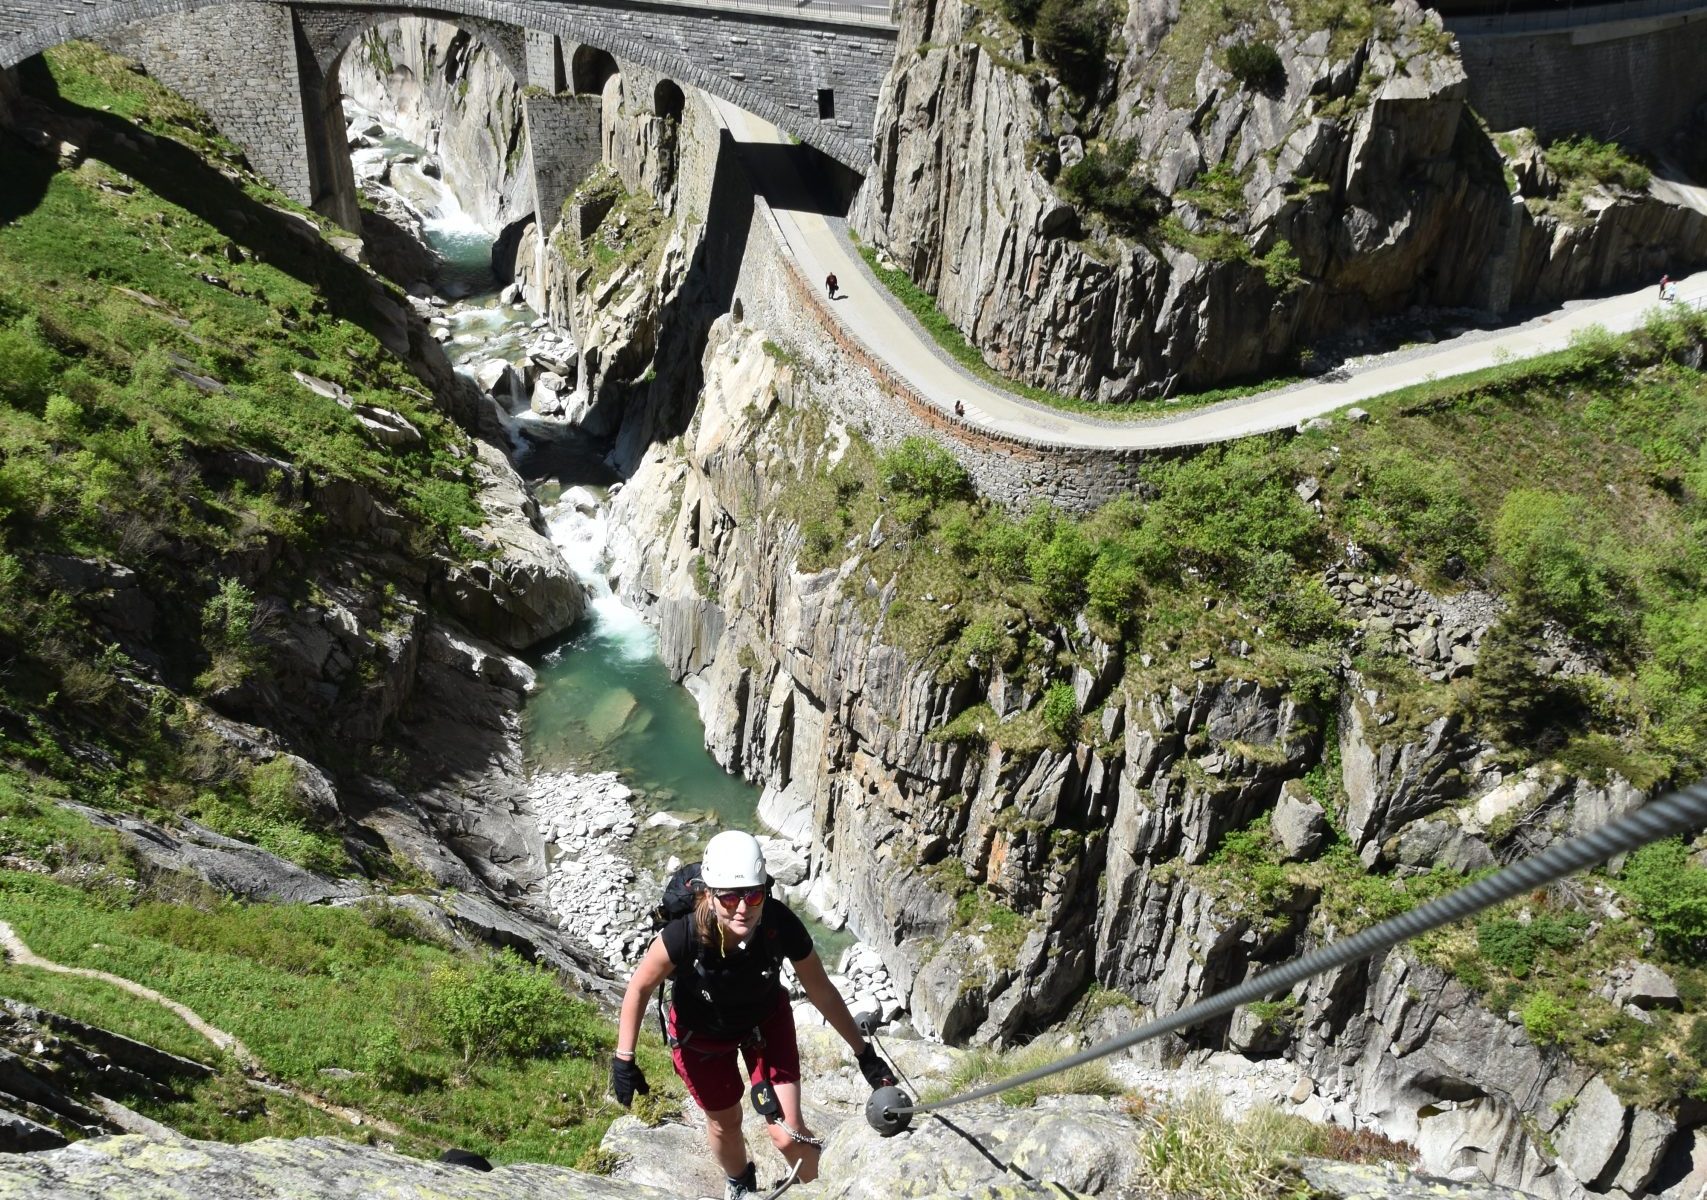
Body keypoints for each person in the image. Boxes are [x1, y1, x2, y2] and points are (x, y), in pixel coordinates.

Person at [611, 831, 895, 1200]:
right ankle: (740, 1181)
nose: (742, 907)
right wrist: (624, 1059)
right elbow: (639, 987)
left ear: (765, 891)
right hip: (703, 1036)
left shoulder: (778, 924)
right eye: (729, 897)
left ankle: (826, 1190)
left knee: (786, 1130)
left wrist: (865, 1055)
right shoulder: (685, 935)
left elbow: (820, 988)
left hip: (764, 1022)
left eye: (753, 894)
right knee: (725, 1122)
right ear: (710, 896)